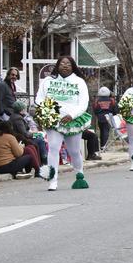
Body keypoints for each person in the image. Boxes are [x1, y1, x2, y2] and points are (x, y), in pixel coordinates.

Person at [36, 55, 91, 191]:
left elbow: (83, 103)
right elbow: (39, 98)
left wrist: (72, 115)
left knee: (74, 151)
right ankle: (52, 180)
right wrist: (47, 111)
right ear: (57, 65)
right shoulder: (48, 81)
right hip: (54, 120)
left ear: (73, 66)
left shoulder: (79, 82)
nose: (65, 65)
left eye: (68, 63)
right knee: (53, 148)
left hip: (73, 120)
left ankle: (79, 173)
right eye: (62, 63)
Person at [92, 86, 117, 151]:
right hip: (108, 117)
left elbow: (95, 109)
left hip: (100, 118)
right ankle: (104, 146)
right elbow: (115, 109)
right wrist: (114, 115)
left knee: (102, 131)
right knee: (106, 131)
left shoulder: (97, 100)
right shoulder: (112, 100)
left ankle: (102, 145)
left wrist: (97, 115)